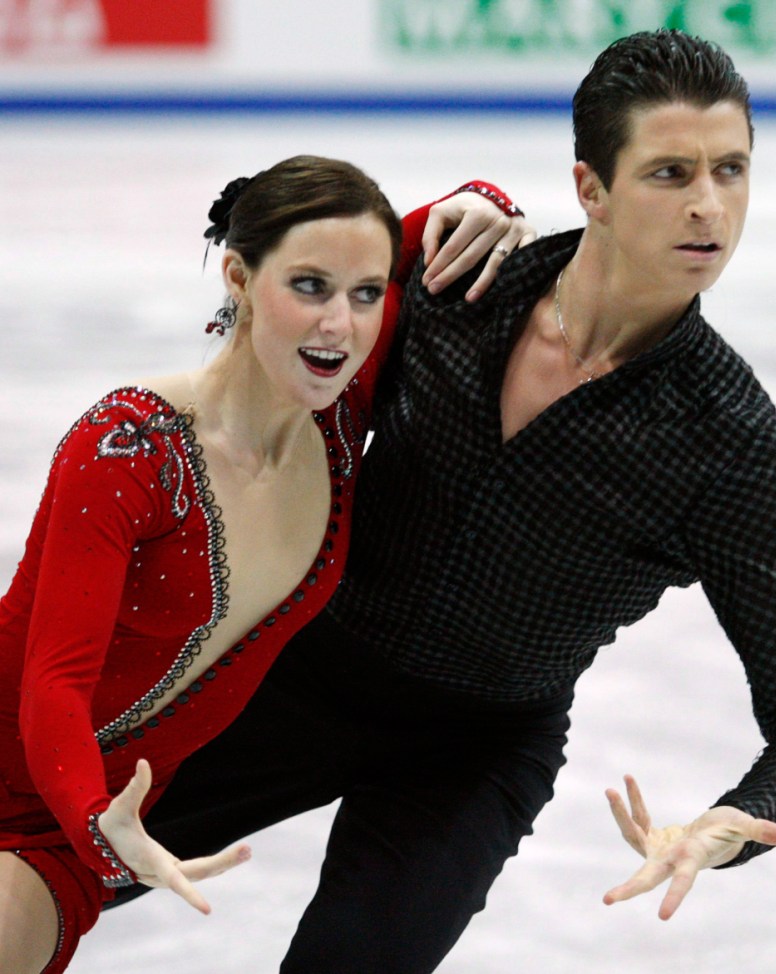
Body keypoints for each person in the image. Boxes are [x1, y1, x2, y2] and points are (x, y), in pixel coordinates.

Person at [108, 29, 776, 974]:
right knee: (44, 866)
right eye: (671, 173)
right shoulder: (463, 281)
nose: (710, 206)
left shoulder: (730, 444)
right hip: (295, 675)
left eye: (732, 169)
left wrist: (732, 829)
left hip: (473, 754)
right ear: (592, 188)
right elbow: (264, 324)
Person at [0, 153, 533, 974]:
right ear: (240, 278)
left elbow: (416, 236)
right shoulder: (128, 448)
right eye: (309, 288)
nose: (341, 325)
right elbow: (54, 682)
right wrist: (98, 818)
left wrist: (485, 201)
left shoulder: (335, 409)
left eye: (364, 295)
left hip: (58, 839)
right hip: (52, 779)